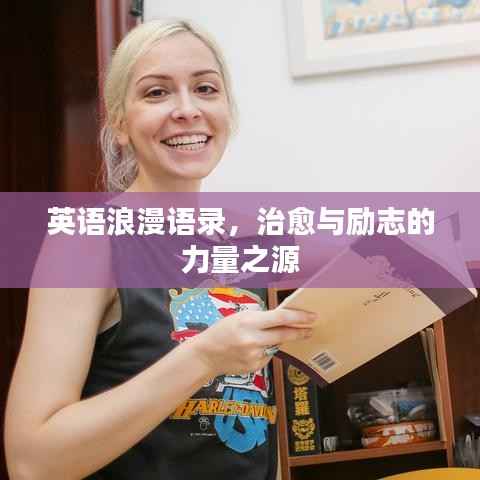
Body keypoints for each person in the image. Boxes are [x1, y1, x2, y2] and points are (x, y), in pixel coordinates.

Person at [4, 18, 316, 480]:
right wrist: (203, 357)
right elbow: (33, 462)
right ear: (120, 123)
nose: (187, 110)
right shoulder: (87, 241)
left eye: (206, 89)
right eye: (157, 93)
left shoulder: (251, 240)